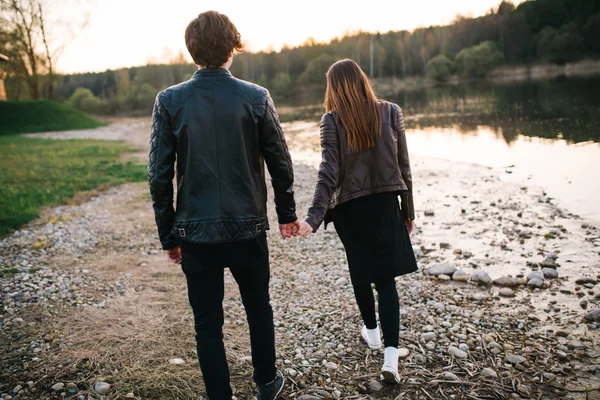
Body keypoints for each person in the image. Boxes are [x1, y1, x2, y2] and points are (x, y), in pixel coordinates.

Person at [148, 11, 298, 400]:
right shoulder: (256, 96)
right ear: (232, 48)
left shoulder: (169, 101)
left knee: (207, 323)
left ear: (193, 51)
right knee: (258, 308)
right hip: (247, 227)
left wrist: (169, 236)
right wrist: (287, 215)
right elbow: (281, 162)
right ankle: (267, 383)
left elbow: (158, 175)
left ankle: (221, 395)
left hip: (195, 232)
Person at [297, 59, 418, 384]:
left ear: (334, 87)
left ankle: (372, 332)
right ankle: (390, 359)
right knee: (387, 279)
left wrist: (314, 217)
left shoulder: (331, 120)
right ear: (362, 80)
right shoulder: (391, 111)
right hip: (383, 204)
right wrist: (408, 211)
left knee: (361, 268)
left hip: (350, 209)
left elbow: (329, 171)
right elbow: (404, 166)